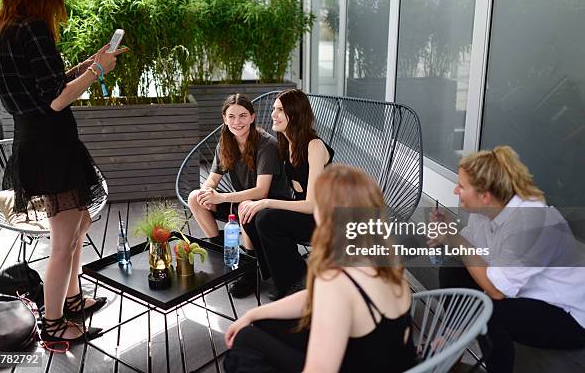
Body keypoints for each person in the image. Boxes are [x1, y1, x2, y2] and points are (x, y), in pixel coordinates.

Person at [0, 0, 127, 343]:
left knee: (79, 221)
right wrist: (98, 70)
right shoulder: (33, 28)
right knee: (64, 238)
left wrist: (86, 64)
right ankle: (53, 326)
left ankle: (73, 299)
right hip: (51, 145)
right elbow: (55, 99)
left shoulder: (4, 32)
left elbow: (46, 84)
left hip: (34, 141)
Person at [224, 164, 417, 372]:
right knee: (264, 323)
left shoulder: (337, 280)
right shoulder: (385, 260)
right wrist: (253, 314)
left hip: (355, 364)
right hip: (385, 359)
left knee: (246, 340)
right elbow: (313, 296)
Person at [432, 146, 585, 373]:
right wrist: (446, 238)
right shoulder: (486, 211)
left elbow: (496, 290)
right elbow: (471, 251)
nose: (456, 190)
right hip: (525, 293)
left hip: (568, 314)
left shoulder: (532, 223)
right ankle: (451, 351)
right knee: (451, 271)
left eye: (462, 186)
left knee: (488, 310)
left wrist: (456, 241)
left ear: (485, 196)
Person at [239, 89, 334, 300]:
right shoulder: (286, 144)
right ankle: (279, 274)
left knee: (265, 215)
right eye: (274, 109)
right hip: (304, 213)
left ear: (295, 113)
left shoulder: (314, 146)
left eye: (280, 110)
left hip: (325, 219)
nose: (274, 114)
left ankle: (296, 280)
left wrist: (266, 202)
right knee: (250, 211)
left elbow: (311, 205)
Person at [187, 94, 286, 297]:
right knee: (195, 197)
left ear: (252, 117)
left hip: (269, 206)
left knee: (245, 207)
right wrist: (208, 191)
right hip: (241, 200)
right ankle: (220, 253)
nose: (237, 122)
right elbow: (212, 180)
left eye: (242, 116)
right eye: (231, 116)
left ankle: (250, 271)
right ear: (224, 119)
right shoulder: (226, 143)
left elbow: (261, 191)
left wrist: (221, 198)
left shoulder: (266, 145)